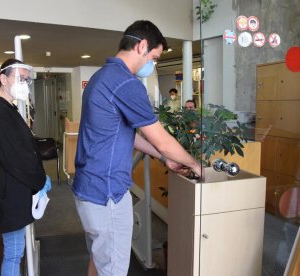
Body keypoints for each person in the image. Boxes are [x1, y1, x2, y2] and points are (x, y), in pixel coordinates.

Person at [72, 20, 202, 276]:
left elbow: (127, 135)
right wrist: (194, 164)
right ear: (142, 46)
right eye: (154, 57)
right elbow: (163, 139)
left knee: (98, 261)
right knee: (113, 269)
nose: (151, 66)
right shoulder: (125, 83)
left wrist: (165, 159)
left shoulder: (101, 77)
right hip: (107, 193)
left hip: (88, 190)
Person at [0, 58, 48, 276]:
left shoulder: (4, 108)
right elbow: (14, 156)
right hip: (11, 190)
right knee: (14, 252)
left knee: (15, 251)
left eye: (26, 79)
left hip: (13, 187)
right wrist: (40, 181)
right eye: (20, 78)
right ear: (3, 79)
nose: (24, 83)